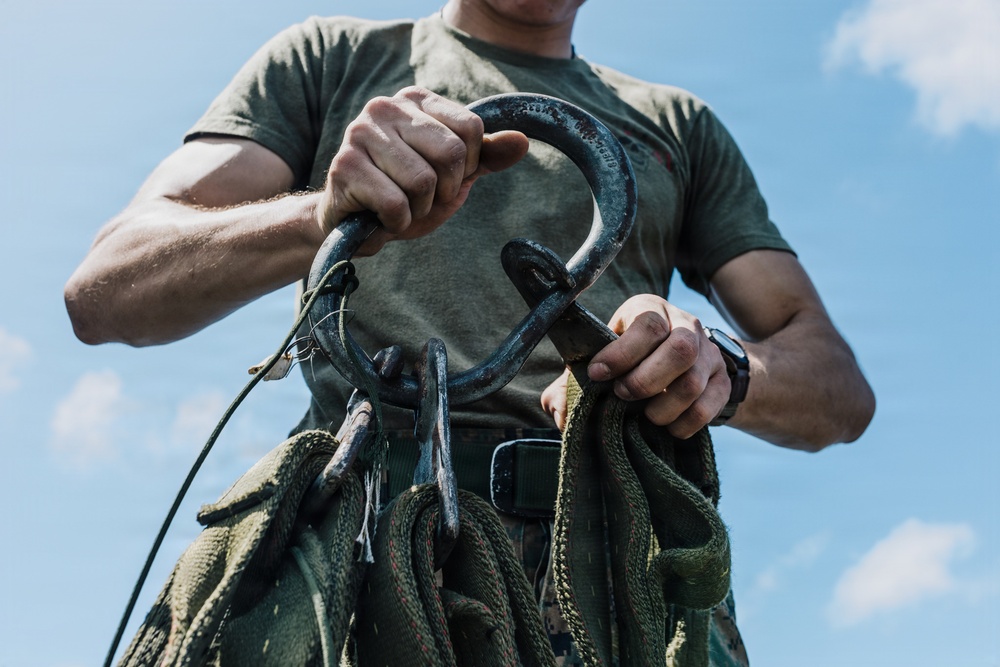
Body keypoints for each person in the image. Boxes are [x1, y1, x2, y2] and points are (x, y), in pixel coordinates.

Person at [64, 0, 875, 664]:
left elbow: (837, 388)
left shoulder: (677, 126)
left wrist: (718, 367)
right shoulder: (332, 58)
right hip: (364, 553)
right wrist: (322, 214)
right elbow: (108, 288)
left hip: (624, 567)